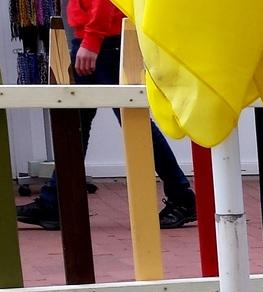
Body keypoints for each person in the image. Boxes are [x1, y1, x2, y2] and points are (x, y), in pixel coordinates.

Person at [16, 0, 196, 230]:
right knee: (79, 125)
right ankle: (55, 201)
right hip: (100, 39)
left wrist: (92, 41)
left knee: (128, 122)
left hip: (104, 42)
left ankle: (182, 196)